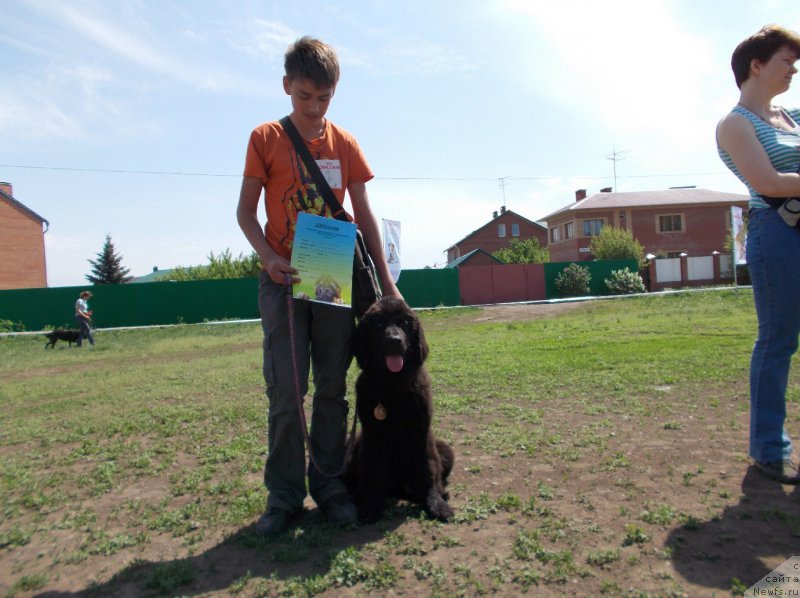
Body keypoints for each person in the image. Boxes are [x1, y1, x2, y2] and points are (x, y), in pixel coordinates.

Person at [236, 36, 402, 535]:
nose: (313, 107)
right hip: (282, 279)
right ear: (286, 86)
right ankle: (284, 497)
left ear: (335, 92)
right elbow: (245, 213)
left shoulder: (345, 144)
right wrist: (268, 258)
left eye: (323, 98)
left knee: (332, 386)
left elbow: (364, 216)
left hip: (330, 272)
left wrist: (388, 284)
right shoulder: (265, 138)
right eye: (304, 96)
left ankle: (330, 486)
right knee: (287, 391)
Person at [716, 25, 800, 484]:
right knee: (778, 340)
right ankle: (769, 449)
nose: (793, 70)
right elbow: (768, 182)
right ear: (757, 65)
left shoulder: (795, 116)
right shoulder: (735, 125)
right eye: (787, 61)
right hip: (779, 233)